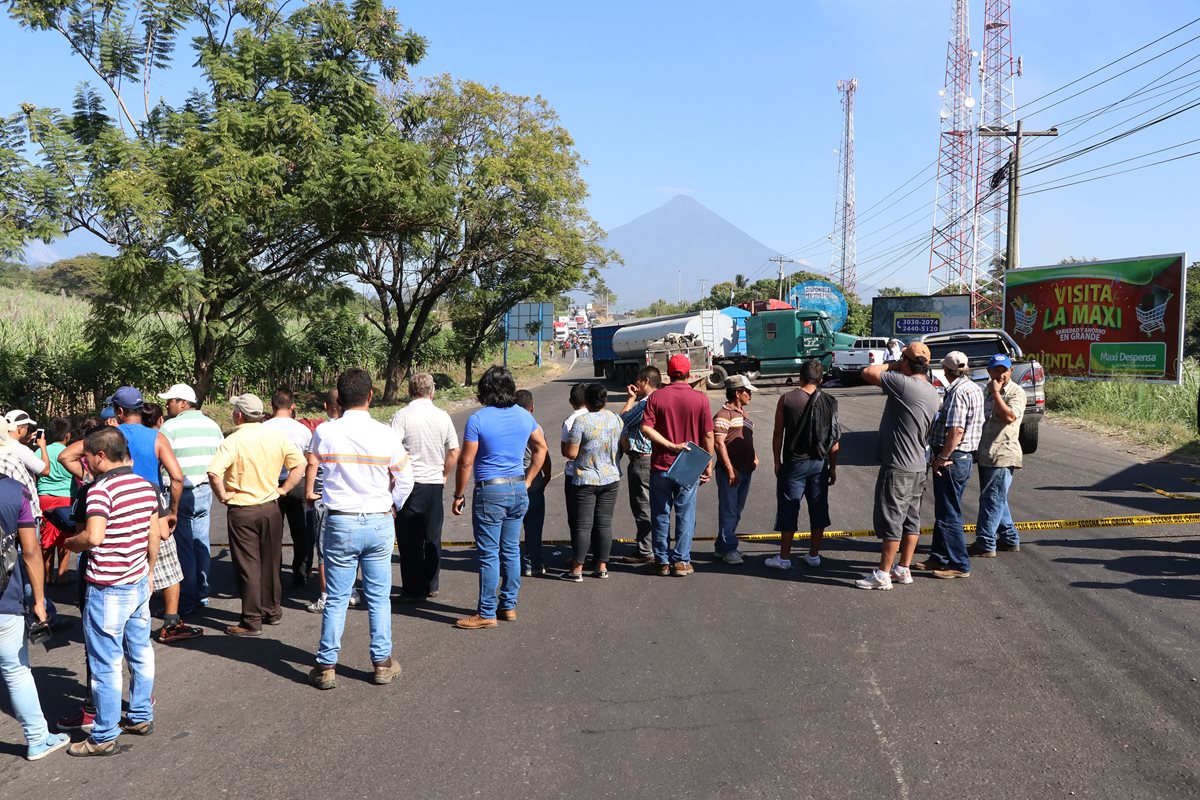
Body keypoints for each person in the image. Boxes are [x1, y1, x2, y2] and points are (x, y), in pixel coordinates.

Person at [306, 369, 412, 690]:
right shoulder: (386, 434)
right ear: (370, 396)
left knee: (337, 597)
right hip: (378, 520)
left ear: (338, 396)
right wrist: (392, 505)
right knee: (379, 597)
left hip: (340, 521)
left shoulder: (324, 432)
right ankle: (382, 663)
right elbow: (405, 479)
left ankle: (326, 666)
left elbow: (313, 463)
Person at [61, 427, 160, 756]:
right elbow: (153, 534)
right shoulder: (144, 485)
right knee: (140, 652)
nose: (85, 463)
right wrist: (148, 571)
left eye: (87, 457)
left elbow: (94, 537)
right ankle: (141, 715)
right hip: (136, 581)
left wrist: (69, 542)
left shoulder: (100, 491)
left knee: (105, 664)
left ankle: (103, 736)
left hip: (107, 587)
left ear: (100, 456)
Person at [452, 366, 547, 629]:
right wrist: (528, 480)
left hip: (490, 491)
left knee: (489, 554)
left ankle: (486, 612)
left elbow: (465, 462)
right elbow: (541, 448)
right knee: (511, 550)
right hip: (518, 488)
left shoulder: (478, 419)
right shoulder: (524, 416)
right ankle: (509, 605)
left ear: (486, 390)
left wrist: (458, 494)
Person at [207, 393, 305, 636]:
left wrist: (222, 495)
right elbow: (300, 464)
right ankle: (272, 610)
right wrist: (284, 488)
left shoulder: (233, 441)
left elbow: (214, 472)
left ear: (239, 415)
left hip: (243, 509)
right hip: (270, 506)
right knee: (271, 560)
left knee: (248, 565)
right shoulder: (274, 436)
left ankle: (251, 619)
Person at [854, 342, 940, 590]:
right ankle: (903, 568)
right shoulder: (932, 391)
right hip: (917, 465)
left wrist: (894, 364)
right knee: (911, 519)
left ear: (906, 362)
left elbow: (867, 371)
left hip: (899, 465)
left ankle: (883, 574)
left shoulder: (903, 384)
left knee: (892, 520)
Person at [0, 474, 70, 760]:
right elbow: (31, 551)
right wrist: (39, 600)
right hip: (5, 598)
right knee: (16, 671)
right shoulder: (14, 491)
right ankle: (38, 738)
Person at [640, 354, 715, 577]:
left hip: (661, 465)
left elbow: (646, 428)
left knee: (660, 514)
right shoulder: (700, 399)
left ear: (667, 374)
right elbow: (708, 435)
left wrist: (671, 445)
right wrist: (707, 463)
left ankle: (662, 561)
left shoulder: (656, 397)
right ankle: (682, 562)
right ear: (689, 374)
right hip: (689, 467)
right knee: (685, 514)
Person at [915, 351, 985, 579]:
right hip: (963, 457)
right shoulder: (974, 388)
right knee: (945, 510)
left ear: (945, 370)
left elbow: (956, 431)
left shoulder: (958, 392)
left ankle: (959, 563)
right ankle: (939, 556)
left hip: (953, 459)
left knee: (949, 513)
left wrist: (942, 457)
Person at [390, 373, 459, 603]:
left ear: (410, 391)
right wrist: (445, 474)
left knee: (409, 540)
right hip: (434, 484)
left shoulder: (401, 417)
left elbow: (392, 449)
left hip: (409, 484)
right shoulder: (442, 416)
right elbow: (454, 450)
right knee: (432, 537)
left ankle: (412, 588)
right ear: (432, 391)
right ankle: (431, 584)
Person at [766, 360, 840, 570]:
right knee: (818, 507)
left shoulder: (787, 399)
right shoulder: (830, 401)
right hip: (819, 463)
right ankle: (814, 555)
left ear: (800, 376)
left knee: (789, 508)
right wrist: (832, 468)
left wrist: (776, 461)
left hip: (793, 464)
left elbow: (778, 433)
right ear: (821, 379)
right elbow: (834, 441)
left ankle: (784, 558)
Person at [158, 383, 223, 616]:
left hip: (180, 490)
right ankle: (202, 591)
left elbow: (163, 461)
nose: (168, 404)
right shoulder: (212, 426)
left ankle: (186, 597)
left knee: (183, 546)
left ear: (183, 403)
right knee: (201, 540)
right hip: (204, 488)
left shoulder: (170, 427)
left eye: (171, 401)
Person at [561, 383, 622, 582]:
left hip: (586, 479)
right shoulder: (615, 419)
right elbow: (626, 445)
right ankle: (602, 567)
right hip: (611, 478)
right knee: (604, 524)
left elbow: (571, 453)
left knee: (582, 526)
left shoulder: (582, 421)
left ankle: (576, 570)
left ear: (585, 401)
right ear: (605, 400)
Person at [970, 354, 1027, 557]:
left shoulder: (1015, 392)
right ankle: (1010, 539)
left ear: (1011, 371)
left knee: (992, 499)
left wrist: (996, 395)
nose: (1000, 374)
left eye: (1004, 370)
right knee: (995, 498)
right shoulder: (987, 389)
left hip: (1003, 453)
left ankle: (985, 543)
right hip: (986, 452)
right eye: (996, 370)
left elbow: (1010, 417)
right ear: (989, 371)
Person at [262, 388, 314, 587]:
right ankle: (300, 572)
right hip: (297, 482)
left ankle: (274, 574)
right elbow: (309, 460)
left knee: (273, 533)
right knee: (300, 531)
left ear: (272, 406)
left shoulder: (263, 428)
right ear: (292, 406)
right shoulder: (303, 430)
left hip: (271, 484)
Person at [304, 388, 345, 614]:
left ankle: (326, 596)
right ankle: (352, 592)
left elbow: (313, 462)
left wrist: (309, 492)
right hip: (348, 498)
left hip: (324, 496)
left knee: (324, 550)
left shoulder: (323, 430)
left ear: (325, 407)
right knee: (346, 548)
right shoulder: (355, 429)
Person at [616, 367, 661, 564]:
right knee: (659, 505)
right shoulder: (662, 399)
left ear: (644, 381)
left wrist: (630, 399)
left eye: (638, 381)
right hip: (659, 456)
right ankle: (658, 544)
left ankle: (646, 550)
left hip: (642, 459)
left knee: (643, 506)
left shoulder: (645, 403)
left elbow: (621, 421)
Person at [713, 375, 758, 566]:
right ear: (738, 393)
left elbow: (747, 438)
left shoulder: (743, 413)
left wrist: (754, 457)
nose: (750, 395)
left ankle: (723, 546)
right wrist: (730, 469)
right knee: (729, 511)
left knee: (736, 511)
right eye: (747, 392)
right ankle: (729, 549)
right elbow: (718, 443)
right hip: (731, 472)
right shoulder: (723, 415)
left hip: (746, 470)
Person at [514, 390, 551, 577]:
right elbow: (544, 454)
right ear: (532, 407)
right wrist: (547, 475)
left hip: (512, 483)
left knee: (510, 530)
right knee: (534, 528)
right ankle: (532, 564)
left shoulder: (509, 426)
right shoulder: (536, 427)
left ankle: (510, 565)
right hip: (534, 483)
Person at [36, 417, 75, 584]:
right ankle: (62, 575)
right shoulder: (71, 453)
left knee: (46, 540)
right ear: (68, 436)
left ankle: (47, 576)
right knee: (65, 538)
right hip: (66, 498)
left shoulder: (39, 452)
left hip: (44, 498)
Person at [559, 383, 588, 557]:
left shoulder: (570, 421)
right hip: (597, 474)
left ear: (571, 401)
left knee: (576, 518)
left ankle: (578, 554)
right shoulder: (598, 416)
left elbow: (566, 452)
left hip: (574, 475)